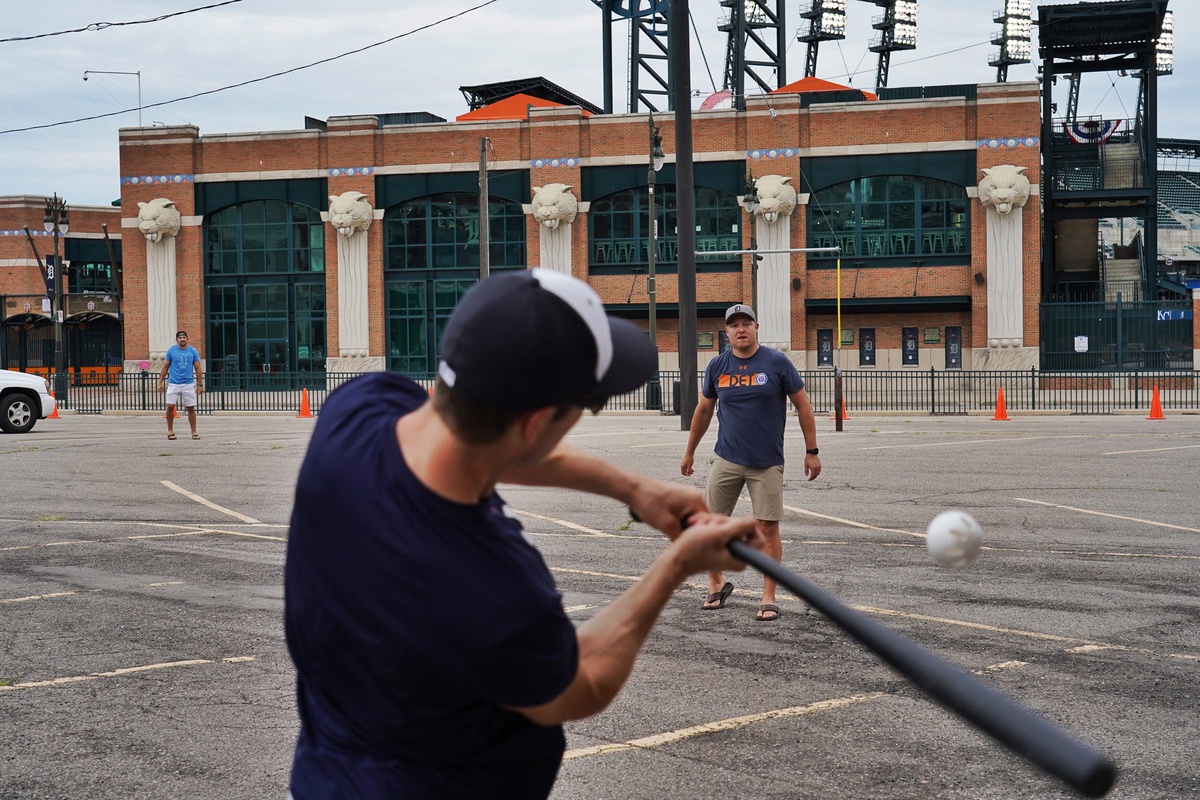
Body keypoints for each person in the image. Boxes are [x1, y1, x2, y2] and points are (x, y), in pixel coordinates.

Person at [283, 268, 763, 800]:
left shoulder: (356, 411)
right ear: (537, 424)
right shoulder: (493, 587)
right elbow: (578, 687)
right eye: (587, 405)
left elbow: (479, 442)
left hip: (321, 779)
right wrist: (676, 565)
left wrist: (633, 489)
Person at [680, 303, 821, 622]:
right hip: (726, 458)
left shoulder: (777, 362)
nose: (740, 329)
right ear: (726, 332)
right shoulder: (718, 365)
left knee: (767, 528)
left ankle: (768, 595)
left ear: (757, 328)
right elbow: (703, 411)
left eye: (746, 323)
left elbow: (802, 405)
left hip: (766, 462)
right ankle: (717, 583)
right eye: (734, 325)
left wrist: (812, 450)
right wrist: (689, 452)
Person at [158, 330, 203, 440]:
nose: (182, 339)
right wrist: (160, 382)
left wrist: (200, 384)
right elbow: (165, 367)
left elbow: (197, 367)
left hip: (188, 383)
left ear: (187, 339)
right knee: (170, 406)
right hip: (174, 383)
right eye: (180, 338)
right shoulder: (171, 351)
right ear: (176, 340)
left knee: (191, 408)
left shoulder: (193, 351)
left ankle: (194, 431)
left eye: (184, 337)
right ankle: (170, 430)